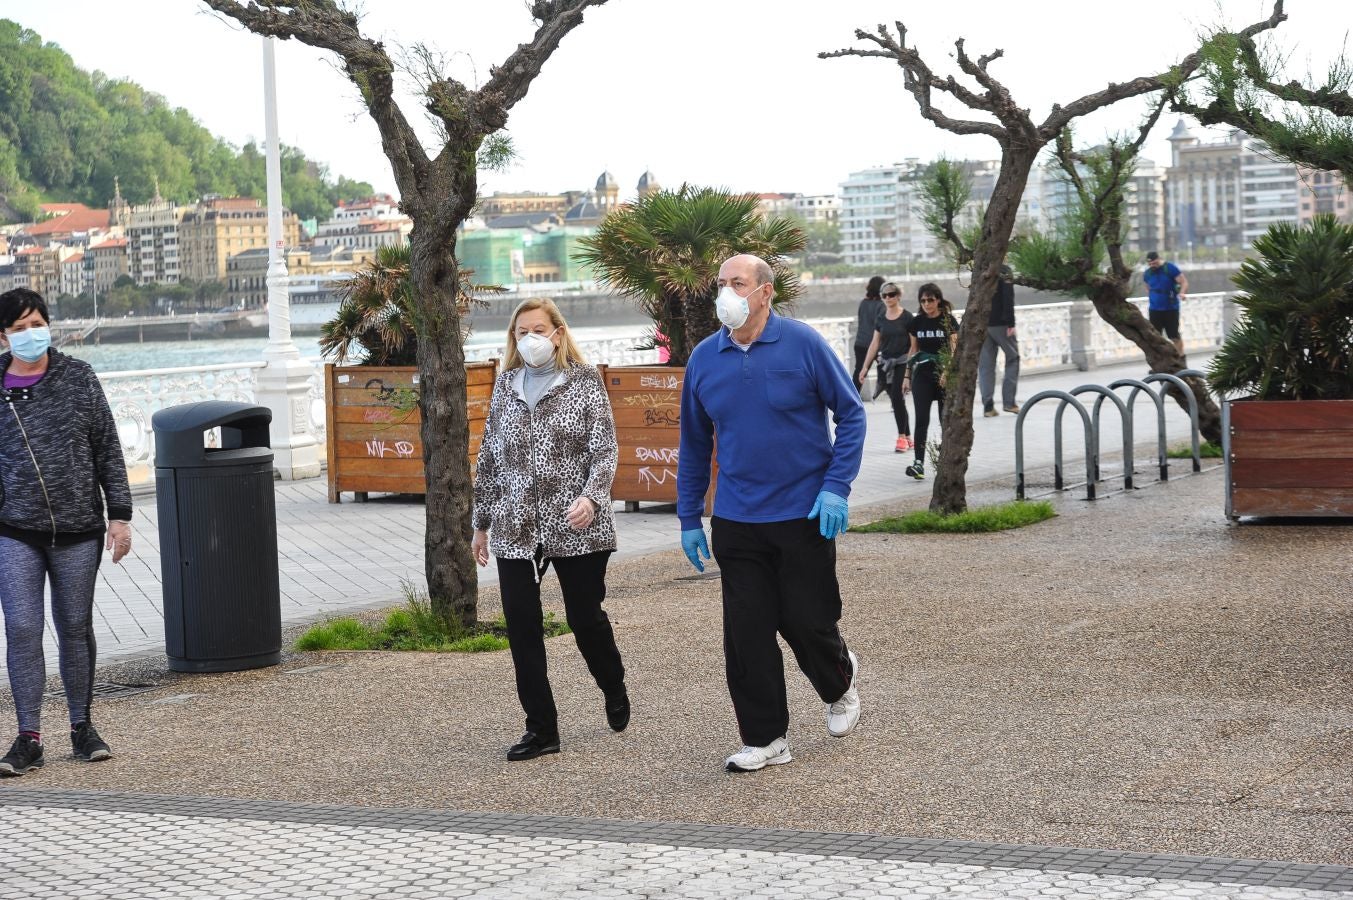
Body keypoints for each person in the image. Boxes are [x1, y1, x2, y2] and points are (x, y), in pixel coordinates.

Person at [677, 254, 866, 773]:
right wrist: (690, 516)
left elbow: (850, 414)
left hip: (805, 512)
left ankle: (840, 680)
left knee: (807, 621)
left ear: (765, 293)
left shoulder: (802, 343)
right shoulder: (703, 359)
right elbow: (693, 444)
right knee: (747, 632)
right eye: (720, 284)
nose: (725, 294)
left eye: (737, 284)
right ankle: (766, 739)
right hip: (737, 519)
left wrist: (837, 487)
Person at [471, 298, 628, 762]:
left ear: (558, 333)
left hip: (576, 523)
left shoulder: (584, 383)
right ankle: (541, 729)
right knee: (522, 627)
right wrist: (481, 524)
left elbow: (605, 449)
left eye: (538, 329)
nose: (529, 339)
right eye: (521, 332)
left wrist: (592, 497)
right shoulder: (505, 385)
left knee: (585, 618)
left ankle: (612, 682)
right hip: (514, 526)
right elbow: (489, 458)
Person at [0, 288, 131, 777]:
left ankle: (82, 727)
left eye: (37, 323)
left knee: (75, 627)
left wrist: (119, 516)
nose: (30, 334)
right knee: (22, 628)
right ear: (4, 336)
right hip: (14, 529)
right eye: (19, 328)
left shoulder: (79, 378)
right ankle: (28, 736)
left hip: (78, 528)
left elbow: (108, 450)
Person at [901, 283, 959, 481]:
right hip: (923, 375)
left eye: (930, 300)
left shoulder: (948, 321)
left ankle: (946, 462)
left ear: (938, 300)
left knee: (946, 419)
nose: (926, 304)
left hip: (944, 375)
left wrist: (947, 371)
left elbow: (954, 349)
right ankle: (918, 464)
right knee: (921, 420)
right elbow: (913, 350)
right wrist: (907, 375)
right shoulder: (917, 323)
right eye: (923, 300)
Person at [856, 281, 914, 452]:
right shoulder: (881, 318)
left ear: (898, 296)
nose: (888, 298)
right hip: (886, 364)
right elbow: (875, 343)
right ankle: (909, 437)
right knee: (898, 402)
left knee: (897, 397)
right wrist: (865, 367)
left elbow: (913, 345)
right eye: (884, 295)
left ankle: (902, 438)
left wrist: (909, 371)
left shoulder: (907, 317)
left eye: (891, 294)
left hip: (903, 362)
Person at [979, 264, 1021, 416]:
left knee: (986, 366)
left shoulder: (980, 268)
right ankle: (1009, 403)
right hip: (1001, 324)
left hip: (982, 324)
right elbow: (1008, 296)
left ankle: (988, 406)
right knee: (1013, 358)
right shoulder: (1004, 270)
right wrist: (1011, 323)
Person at [1142, 251, 1188, 354]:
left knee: (1174, 336)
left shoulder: (1169, 268)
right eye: (1150, 264)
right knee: (1155, 337)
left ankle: (1180, 358)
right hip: (1154, 309)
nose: (1152, 265)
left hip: (1170, 308)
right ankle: (1162, 360)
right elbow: (1148, 288)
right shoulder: (1147, 274)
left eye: (1154, 263)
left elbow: (1184, 282)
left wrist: (1182, 293)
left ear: (1158, 259)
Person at [852, 275, 885, 396]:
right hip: (876, 344)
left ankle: (852, 398)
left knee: (859, 373)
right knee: (887, 370)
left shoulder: (863, 303)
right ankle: (895, 400)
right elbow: (881, 326)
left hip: (860, 342)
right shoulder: (881, 305)